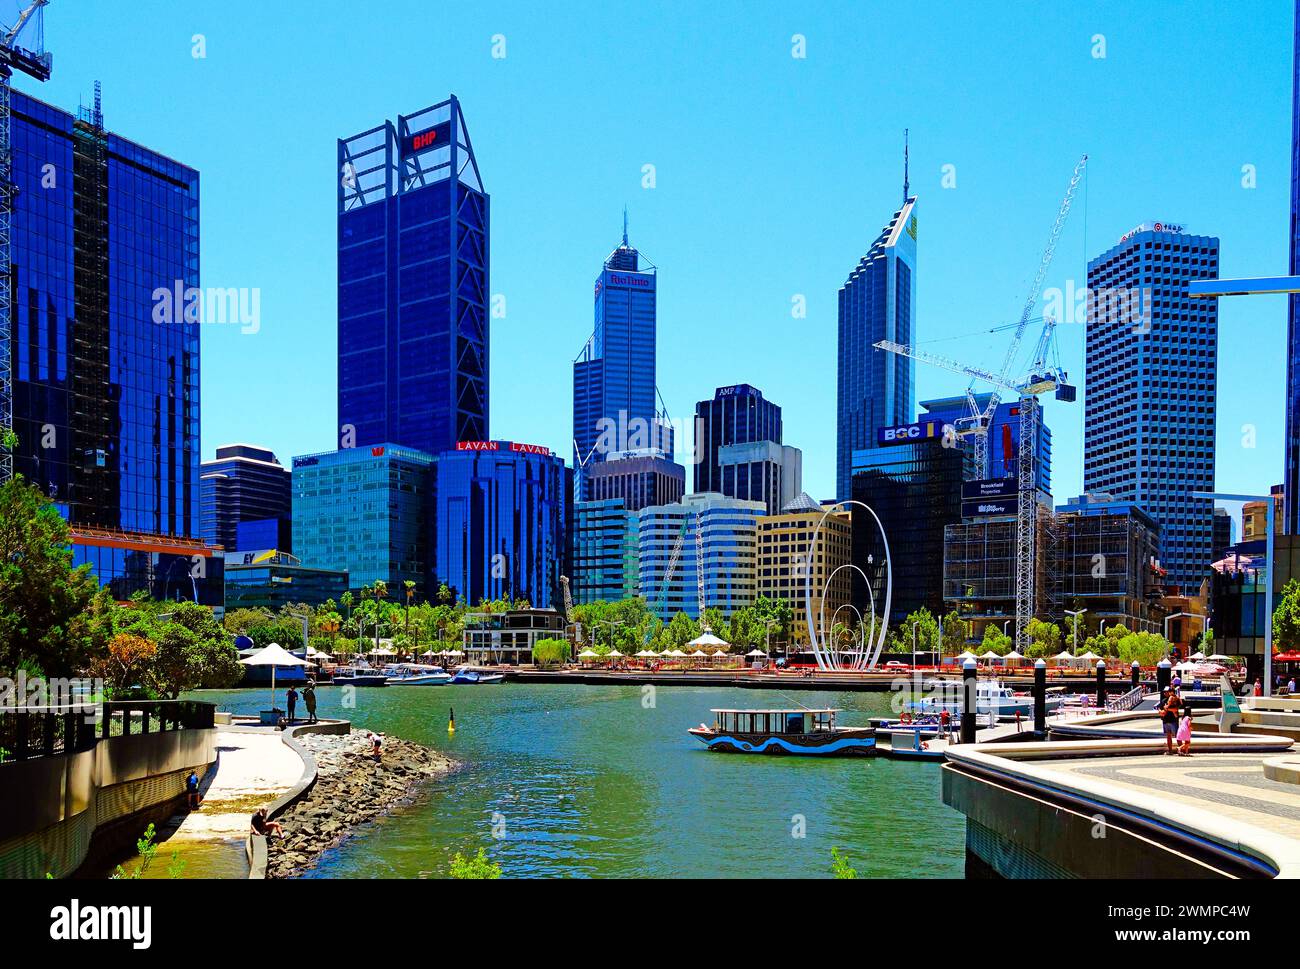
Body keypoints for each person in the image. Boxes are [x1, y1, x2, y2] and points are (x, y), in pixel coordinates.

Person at [1157, 687, 1183, 755]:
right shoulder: (1163, 701)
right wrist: (1161, 711)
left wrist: (1166, 710)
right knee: (1168, 736)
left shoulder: (1175, 700)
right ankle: (1170, 751)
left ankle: (1181, 750)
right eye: (1164, 692)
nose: (1165, 693)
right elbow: (1159, 709)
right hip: (1165, 720)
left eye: (1167, 691)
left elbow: (1175, 709)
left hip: (1173, 720)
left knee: (1177, 736)